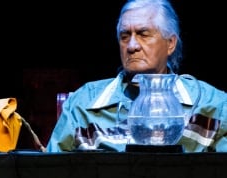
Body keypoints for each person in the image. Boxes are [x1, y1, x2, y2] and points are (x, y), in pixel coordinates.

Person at [47, 0, 227, 153]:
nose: (132, 46)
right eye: (125, 36)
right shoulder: (83, 105)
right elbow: (53, 176)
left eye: (143, 34)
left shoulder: (211, 105)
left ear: (170, 43)